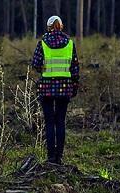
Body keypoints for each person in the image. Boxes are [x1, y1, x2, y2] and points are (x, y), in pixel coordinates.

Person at [31, 16, 80, 164]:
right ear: (61, 27)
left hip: (46, 87)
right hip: (65, 88)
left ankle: (50, 157)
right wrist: (74, 86)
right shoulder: (70, 44)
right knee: (60, 122)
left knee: (49, 122)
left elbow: (35, 64)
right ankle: (59, 157)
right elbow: (75, 68)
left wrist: (43, 69)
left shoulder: (42, 43)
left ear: (49, 27)